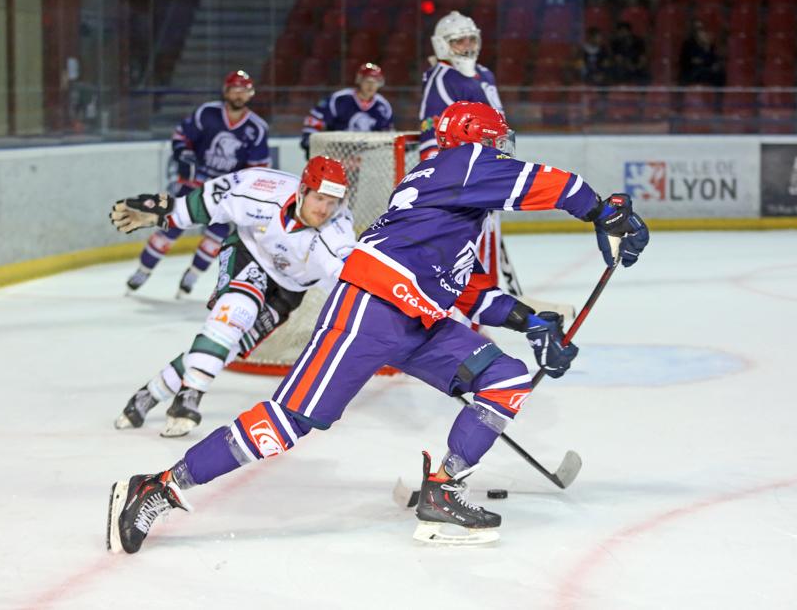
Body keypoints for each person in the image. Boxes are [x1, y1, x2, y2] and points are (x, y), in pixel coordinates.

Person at [106, 101, 650, 554]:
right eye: (496, 141)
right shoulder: (462, 163)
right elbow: (551, 183)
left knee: (504, 378)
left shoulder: (454, 197)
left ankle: (443, 490)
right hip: (371, 308)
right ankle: (158, 486)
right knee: (290, 421)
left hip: (417, 318)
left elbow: (463, 287)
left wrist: (530, 321)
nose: (502, 150)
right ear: (475, 140)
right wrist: (604, 210)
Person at [111, 157, 356, 438]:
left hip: (289, 291)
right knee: (237, 312)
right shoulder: (263, 188)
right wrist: (171, 213)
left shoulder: (338, 234)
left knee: (226, 346)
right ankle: (190, 396)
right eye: (319, 199)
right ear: (302, 191)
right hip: (247, 254)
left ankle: (149, 394)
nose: (324, 209)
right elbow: (209, 201)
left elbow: (351, 280)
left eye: (331, 202)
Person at [125, 70, 271, 298]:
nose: (239, 95)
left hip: (225, 193)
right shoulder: (207, 113)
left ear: (251, 94)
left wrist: (245, 194)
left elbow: (257, 169)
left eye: (244, 91)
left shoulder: (257, 128)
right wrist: (184, 154)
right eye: (235, 89)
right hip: (195, 183)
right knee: (170, 227)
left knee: (216, 238)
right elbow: (181, 137)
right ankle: (143, 270)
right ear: (226, 91)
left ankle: (192, 276)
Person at [418, 11, 516, 297]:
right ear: (443, 45)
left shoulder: (485, 74)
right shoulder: (442, 77)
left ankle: (484, 310)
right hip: (466, 180)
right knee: (464, 254)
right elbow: (432, 133)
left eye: (471, 39)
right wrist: (445, 180)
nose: (468, 46)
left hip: (491, 171)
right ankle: (466, 311)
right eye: (459, 41)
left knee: (487, 246)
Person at [299, 62, 395, 159]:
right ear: (359, 81)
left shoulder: (383, 106)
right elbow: (316, 119)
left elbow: (386, 133)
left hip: (365, 156)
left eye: (375, 82)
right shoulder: (340, 99)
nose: (371, 86)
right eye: (367, 81)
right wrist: (308, 140)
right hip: (335, 152)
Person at [679, 20, 726, 87]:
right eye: (699, 30)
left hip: (706, 71)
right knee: (705, 72)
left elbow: (713, 60)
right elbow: (693, 61)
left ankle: (719, 93)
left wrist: (707, 47)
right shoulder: (688, 44)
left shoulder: (709, 45)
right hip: (691, 72)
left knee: (720, 74)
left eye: (703, 30)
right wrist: (705, 61)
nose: (703, 33)